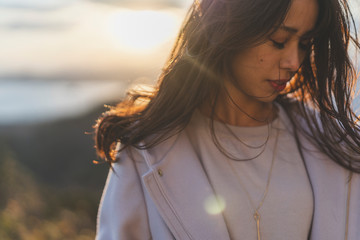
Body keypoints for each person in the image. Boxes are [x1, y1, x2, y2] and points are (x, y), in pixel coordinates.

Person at [94, 0, 360, 239]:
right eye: (279, 40)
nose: (293, 61)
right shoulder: (145, 150)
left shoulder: (338, 147)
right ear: (229, 28)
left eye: (304, 44)